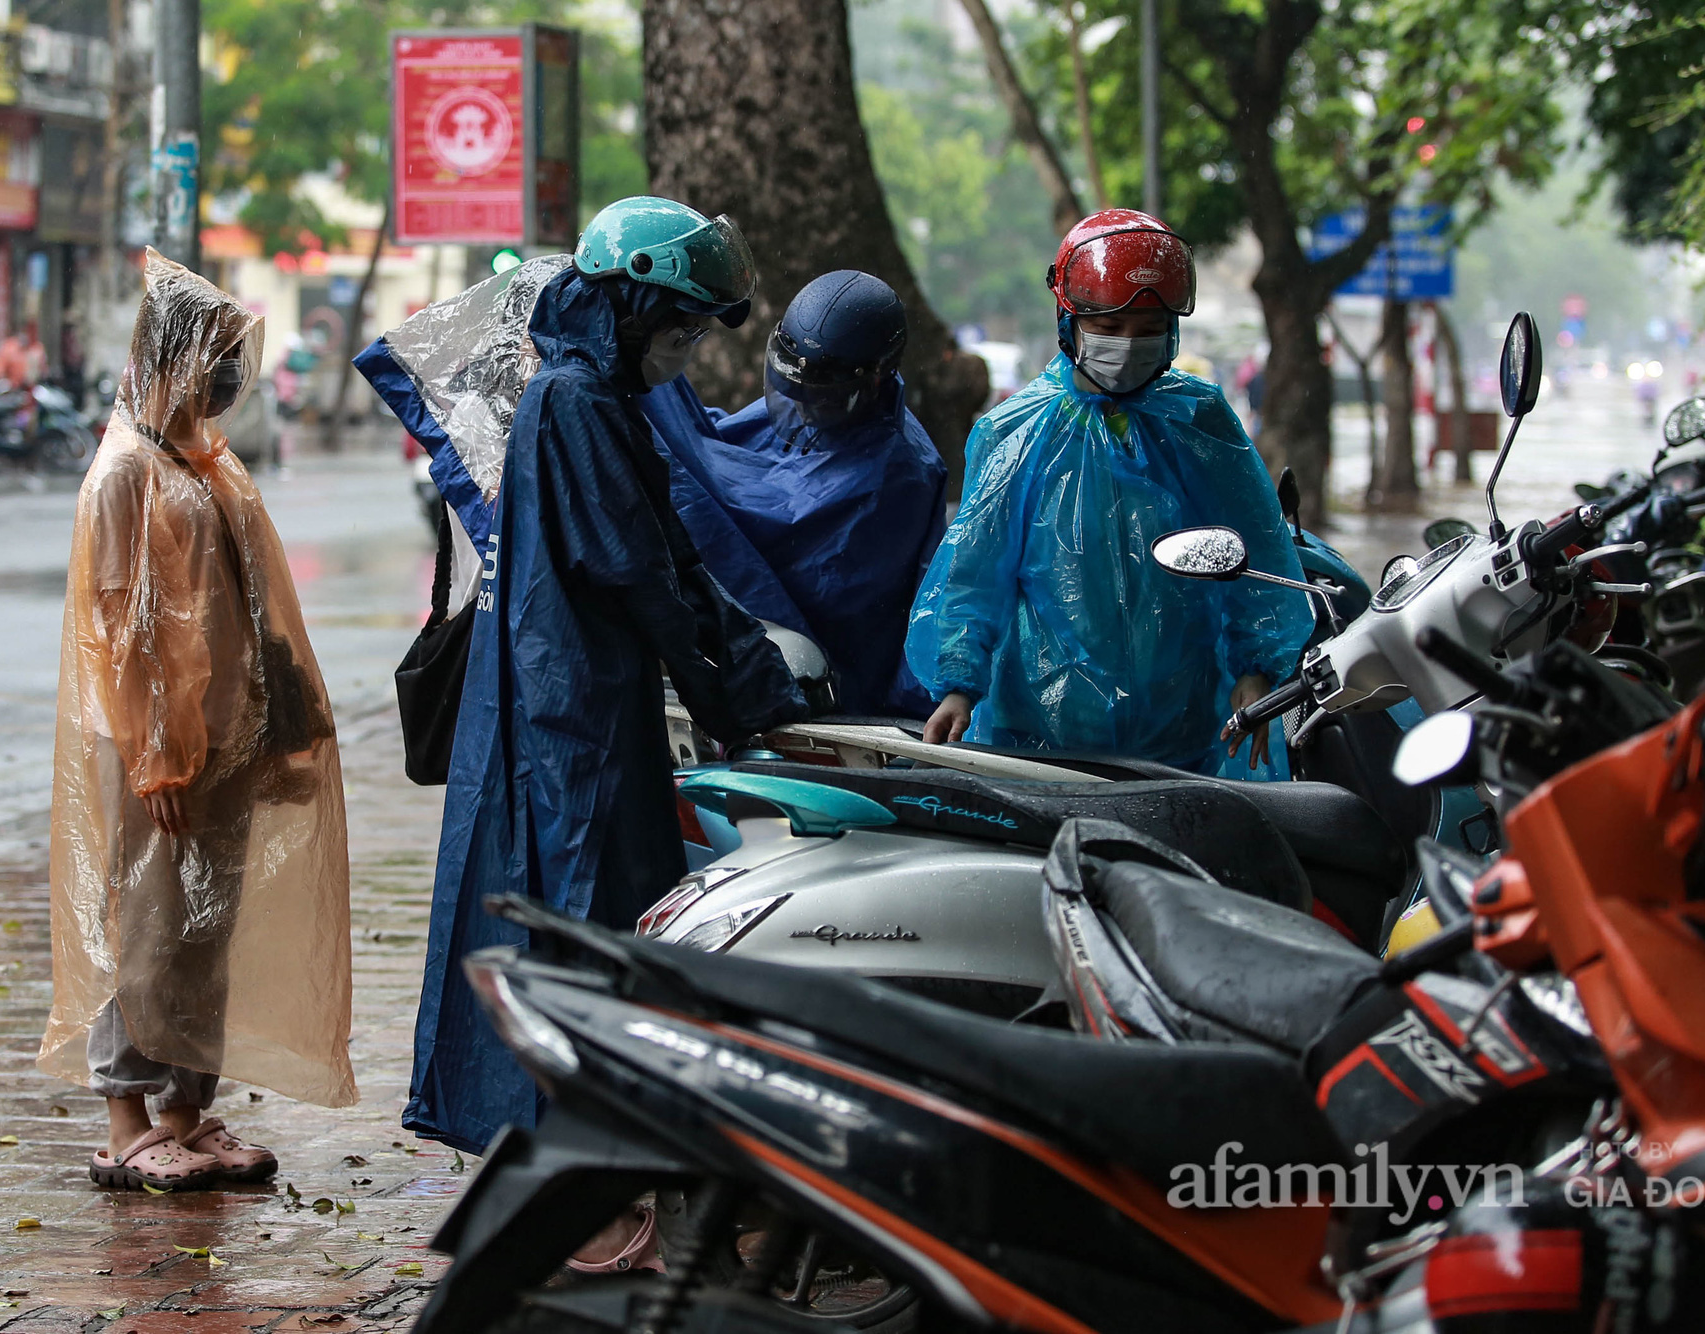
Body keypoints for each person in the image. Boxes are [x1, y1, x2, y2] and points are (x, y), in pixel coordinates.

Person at [404, 197, 809, 1153]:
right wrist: (731, 692)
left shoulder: (593, 397)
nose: (686, 351)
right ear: (634, 310)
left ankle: (591, 1156)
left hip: (584, 704)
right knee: (578, 923)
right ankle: (582, 1172)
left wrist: (744, 672)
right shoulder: (576, 402)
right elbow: (640, 573)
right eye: (681, 331)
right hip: (568, 720)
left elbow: (669, 557)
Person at [40, 251, 355, 1191]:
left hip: (224, 742)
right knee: (148, 922)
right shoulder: (124, 474)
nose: (228, 373)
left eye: (234, 353)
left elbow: (257, 618)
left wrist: (282, 728)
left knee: (206, 930)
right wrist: (154, 751)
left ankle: (187, 1109)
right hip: (157, 750)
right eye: (214, 354)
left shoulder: (210, 466)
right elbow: (119, 633)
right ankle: (125, 1120)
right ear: (170, 355)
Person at [907, 209, 1313, 776]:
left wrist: (1257, 668)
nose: (1128, 346)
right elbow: (975, 575)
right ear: (1069, 321)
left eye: (1148, 331)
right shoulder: (1017, 433)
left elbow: (1255, 549)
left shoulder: (1200, 420)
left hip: (1182, 732)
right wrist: (958, 686)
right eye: (1110, 328)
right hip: (1044, 742)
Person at [640, 270, 948, 716]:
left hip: (837, 695)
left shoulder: (899, 474)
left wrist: (660, 449)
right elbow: (719, 442)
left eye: (820, 397)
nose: (802, 407)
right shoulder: (813, 403)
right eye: (792, 392)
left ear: (875, 379)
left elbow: (771, 542)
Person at [0, 321, 47, 389]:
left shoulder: (37, 348)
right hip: (14, 390)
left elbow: (43, 370)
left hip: (35, 389)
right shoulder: (9, 347)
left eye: (32, 332)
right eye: (27, 331)